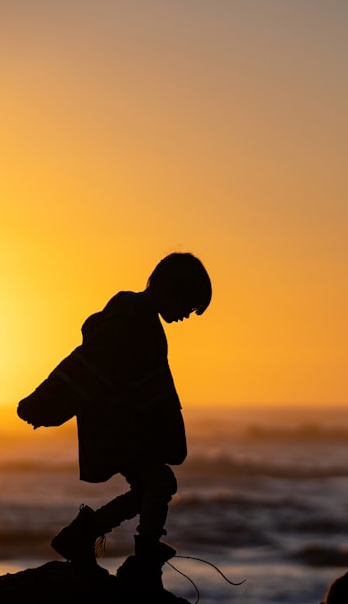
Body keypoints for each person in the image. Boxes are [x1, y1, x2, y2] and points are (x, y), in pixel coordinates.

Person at [17, 252, 211, 594]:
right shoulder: (130, 318)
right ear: (170, 289)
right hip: (119, 429)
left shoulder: (140, 319)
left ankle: (85, 535)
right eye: (188, 305)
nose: (186, 316)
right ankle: (141, 559)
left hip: (126, 427)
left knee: (151, 486)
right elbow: (87, 364)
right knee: (160, 482)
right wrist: (46, 401)